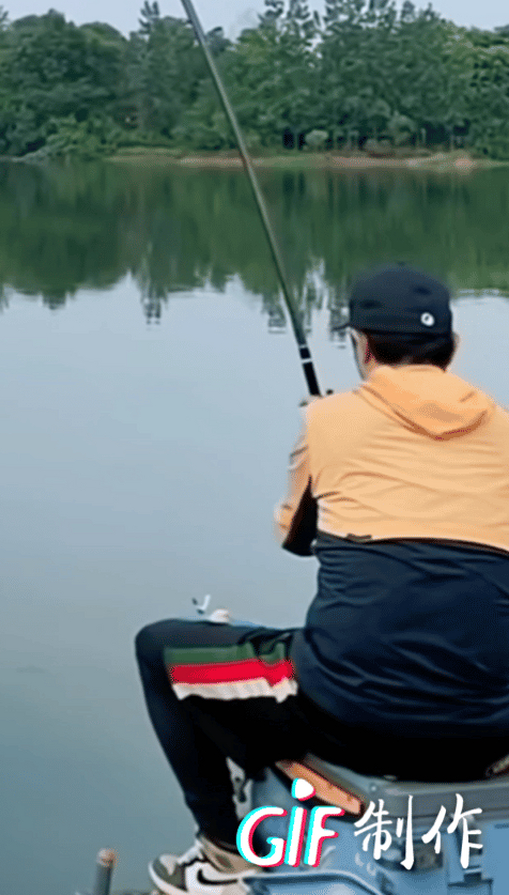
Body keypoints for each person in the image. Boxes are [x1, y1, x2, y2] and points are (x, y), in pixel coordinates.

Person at [136, 264, 509, 895]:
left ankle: (223, 854)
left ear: (363, 347)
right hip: (488, 731)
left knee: (158, 650)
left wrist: (322, 432)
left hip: (352, 717)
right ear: (453, 347)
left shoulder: (330, 421)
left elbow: (296, 538)